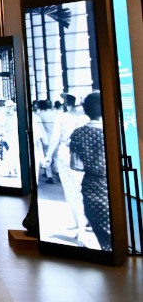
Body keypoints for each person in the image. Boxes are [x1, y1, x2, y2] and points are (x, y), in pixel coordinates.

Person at [69, 91, 112, 251]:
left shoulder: (78, 134)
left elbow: (76, 165)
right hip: (112, 188)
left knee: (105, 241)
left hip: (91, 189)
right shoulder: (113, 131)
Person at [42, 92, 89, 237]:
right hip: (83, 157)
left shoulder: (62, 117)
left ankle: (80, 227)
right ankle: (83, 223)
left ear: (67, 103)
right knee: (82, 190)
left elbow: (56, 138)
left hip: (66, 155)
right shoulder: (86, 118)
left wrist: (49, 156)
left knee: (71, 192)